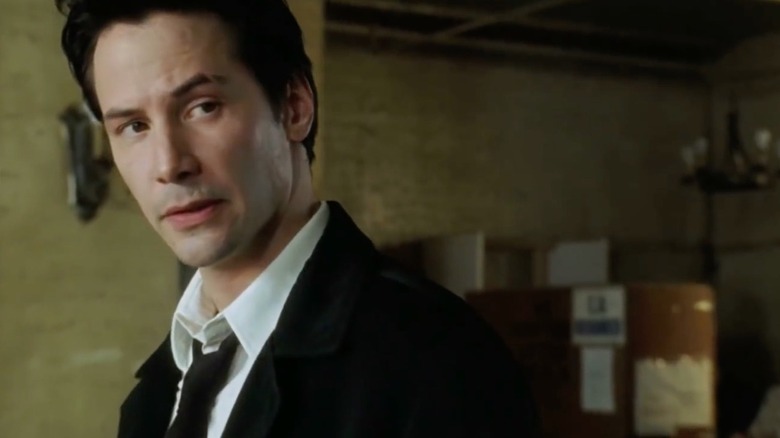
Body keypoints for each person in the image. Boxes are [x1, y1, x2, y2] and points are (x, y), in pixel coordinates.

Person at [55, 1, 539, 437]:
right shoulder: (156, 396)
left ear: (294, 107)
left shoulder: (434, 362)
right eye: (134, 126)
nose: (168, 164)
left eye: (203, 107)